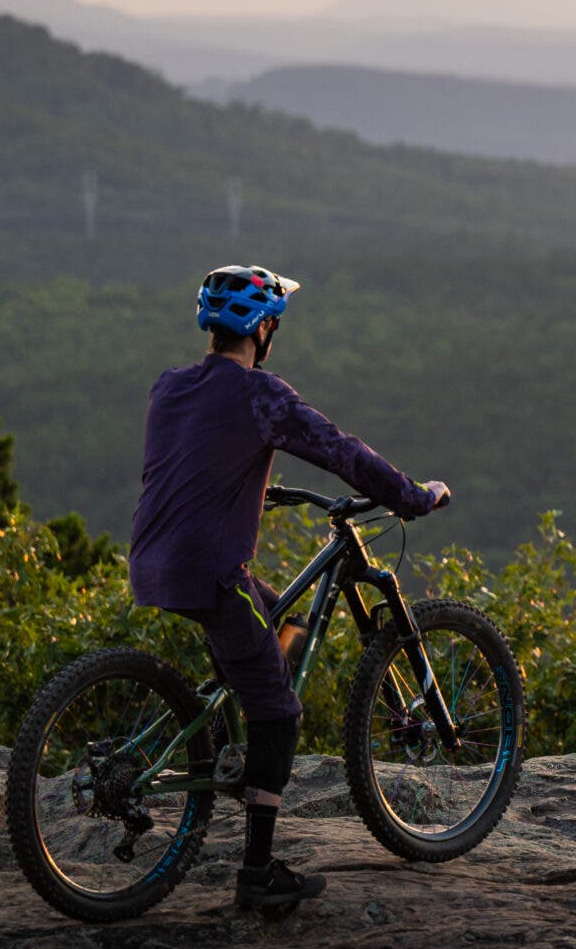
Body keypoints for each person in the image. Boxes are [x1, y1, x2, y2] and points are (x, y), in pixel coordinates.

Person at [128, 264, 449, 915]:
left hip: (154, 561)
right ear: (263, 327)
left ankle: (227, 737)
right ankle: (258, 871)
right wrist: (409, 496)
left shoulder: (170, 386)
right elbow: (340, 449)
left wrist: (251, 483)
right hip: (212, 572)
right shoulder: (260, 395)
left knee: (278, 613)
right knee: (280, 711)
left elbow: (184, 459)